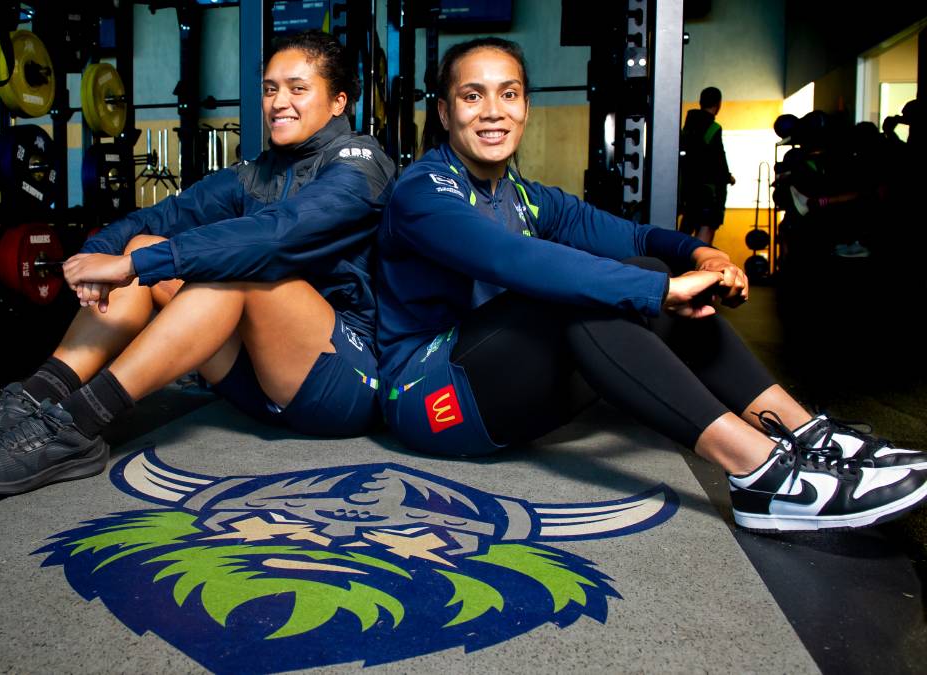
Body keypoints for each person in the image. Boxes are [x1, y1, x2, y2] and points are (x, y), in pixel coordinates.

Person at [374, 37, 927, 532]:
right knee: (600, 292)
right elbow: (512, 257)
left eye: (509, 94)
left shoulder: (523, 192)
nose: (493, 112)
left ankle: (804, 433)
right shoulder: (423, 191)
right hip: (430, 396)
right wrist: (660, 293)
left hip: (499, 382)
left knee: (645, 273)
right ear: (444, 113)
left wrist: (701, 252)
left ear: (525, 108)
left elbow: (632, 235)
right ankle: (761, 474)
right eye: (472, 97)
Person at [0, 31, 396, 495]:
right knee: (142, 241)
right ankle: (36, 397)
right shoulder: (260, 170)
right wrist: (99, 252)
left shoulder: (359, 165)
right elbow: (168, 213)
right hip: (257, 380)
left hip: (339, 381)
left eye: (297, 88)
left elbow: (275, 235)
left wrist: (130, 268)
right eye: (270, 88)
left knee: (228, 270)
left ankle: (75, 428)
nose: (278, 102)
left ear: (338, 102)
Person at [679, 86, 735, 245]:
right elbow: (718, 158)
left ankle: (675, 264)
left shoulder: (688, 126)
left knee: (687, 227)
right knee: (706, 230)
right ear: (718, 104)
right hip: (708, 192)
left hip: (688, 190)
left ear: (700, 102)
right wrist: (728, 177)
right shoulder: (713, 128)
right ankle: (694, 267)